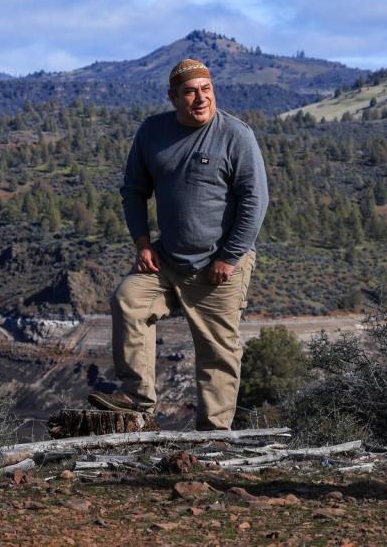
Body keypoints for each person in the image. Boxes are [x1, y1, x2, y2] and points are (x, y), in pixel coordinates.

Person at [88, 58, 269, 430]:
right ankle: (137, 400)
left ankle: (214, 437)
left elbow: (256, 200)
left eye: (207, 90)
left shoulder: (236, 135)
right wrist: (142, 244)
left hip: (219, 266)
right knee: (128, 299)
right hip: (167, 260)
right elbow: (134, 191)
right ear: (172, 97)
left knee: (217, 353)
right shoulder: (152, 133)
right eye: (190, 92)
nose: (200, 99)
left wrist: (229, 257)